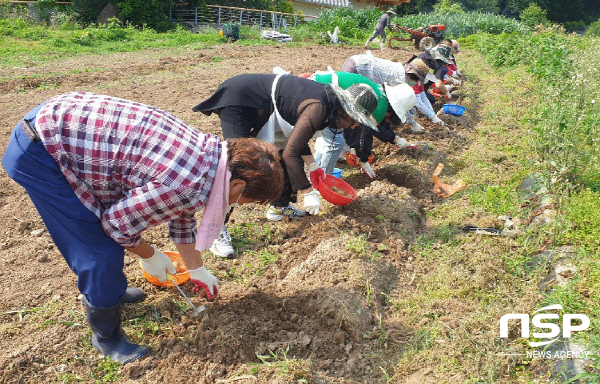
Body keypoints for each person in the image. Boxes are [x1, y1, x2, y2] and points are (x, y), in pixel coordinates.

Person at [1, 92, 285, 364]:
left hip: (61, 123)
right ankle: (106, 337)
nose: (237, 204)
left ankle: (112, 292)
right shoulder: (185, 183)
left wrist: (197, 269)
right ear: (237, 184)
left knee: (108, 243)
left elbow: (182, 214)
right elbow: (116, 225)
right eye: (244, 201)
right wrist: (150, 255)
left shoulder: (212, 156)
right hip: (42, 150)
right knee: (99, 251)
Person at [192, 73, 379, 257]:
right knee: (236, 167)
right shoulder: (319, 108)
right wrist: (308, 191)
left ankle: (279, 206)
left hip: (269, 109)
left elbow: (296, 141)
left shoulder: (329, 106)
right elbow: (292, 153)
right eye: (353, 121)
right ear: (344, 110)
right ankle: (216, 231)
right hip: (242, 101)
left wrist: (313, 165)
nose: (353, 126)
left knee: (278, 157)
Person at [309, 70, 413, 178]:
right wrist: (364, 160)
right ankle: (323, 180)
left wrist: (394, 139)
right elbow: (364, 132)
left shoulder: (380, 94)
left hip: (316, 85)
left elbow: (368, 126)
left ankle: (314, 175)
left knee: (331, 139)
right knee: (336, 142)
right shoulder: (381, 106)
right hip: (321, 93)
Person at [342, 52, 441, 132]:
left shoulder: (401, 70)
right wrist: (414, 124)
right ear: (414, 76)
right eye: (417, 80)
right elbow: (398, 104)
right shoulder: (400, 80)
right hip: (358, 69)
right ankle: (350, 131)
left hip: (353, 61)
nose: (416, 83)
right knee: (357, 104)